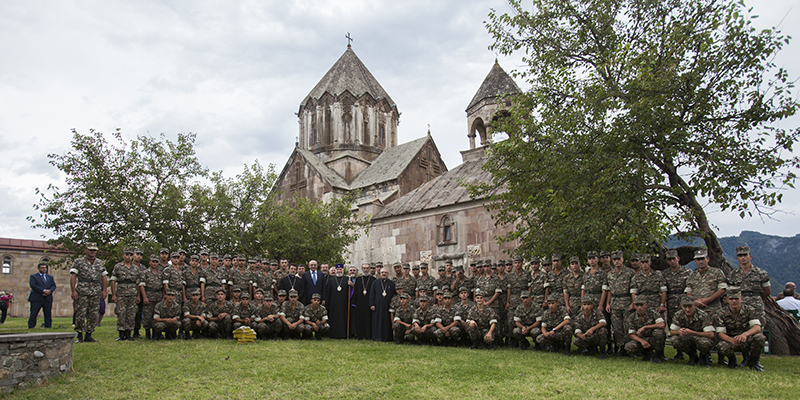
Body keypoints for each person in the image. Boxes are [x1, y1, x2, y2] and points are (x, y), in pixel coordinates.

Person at [714, 287, 766, 371]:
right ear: (727, 300)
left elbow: (757, 327)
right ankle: (732, 360)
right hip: (731, 340)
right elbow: (720, 333)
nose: (734, 301)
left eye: (736, 299)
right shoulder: (721, 313)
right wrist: (731, 340)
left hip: (746, 339)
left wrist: (745, 334)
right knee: (722, 346)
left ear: (741, 299)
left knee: (759, 338)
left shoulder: (750, 310)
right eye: (731, 299)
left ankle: (754, 362)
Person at [70, 242, 107, 343]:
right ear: (85, 250)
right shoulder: (78, 261)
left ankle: (89, 334)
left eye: (94, 250)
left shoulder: (99, 263)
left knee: (93, 313)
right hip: (82, 290)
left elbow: (104, 276)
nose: (93, 252)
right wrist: (73, 291)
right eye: (90, 250)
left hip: (95, 291)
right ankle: (79, 335)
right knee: (80, 313)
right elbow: (73, 276)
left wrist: (104, 290)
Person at [662, 248, 691, 360]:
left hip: (684, 303)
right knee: (673, 326)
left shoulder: (687, 272)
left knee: (687, 326)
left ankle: (692, 353)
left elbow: (690, 288)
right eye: (669, 259)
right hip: (671, 303)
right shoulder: (665, 273)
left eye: (673, 258)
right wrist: (663, 303)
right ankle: (679, 352)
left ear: (678, 258)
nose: (672, 261)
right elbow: (664, 290)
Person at [604, 250, 635, 356]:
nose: (617, 261)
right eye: (614, 259)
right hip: (614, 302)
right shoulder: (610, 274)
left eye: (618, 259)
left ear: (623, 259)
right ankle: (620, 348)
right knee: (617, 328)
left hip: (626, 302)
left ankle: (628, 348)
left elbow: (633, 289)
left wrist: (633, 303)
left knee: (627, 326)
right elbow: (609, 290)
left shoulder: (630, 272)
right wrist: (608, 304)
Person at [728, 246, 770, 323]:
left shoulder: (761, 273)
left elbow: (767, 291)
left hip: (756, 304)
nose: (743, 258)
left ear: (750, 256)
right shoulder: (733, 275)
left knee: (758, 325)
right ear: (737, 258)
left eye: (745, 255)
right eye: (740, 256)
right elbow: (731, 292)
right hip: (739, 304)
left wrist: (758, 299)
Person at [669, 296, 715, 366]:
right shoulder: (678, 314)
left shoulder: (703, 315)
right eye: (685, 306)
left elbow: (710, 334)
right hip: (687, 338)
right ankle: (692, 356)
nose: (687, 309)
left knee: (705, 343)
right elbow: (672, 332)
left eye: (690, 306)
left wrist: (692, 333)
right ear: (681, 306)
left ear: (695, 305)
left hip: (700, 337)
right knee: (675, 340)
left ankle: (703, 357)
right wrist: (679, 332)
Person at [684, 249, 727, 314]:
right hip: (697, 310)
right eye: (698, 259)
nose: (701, 261)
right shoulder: (692, 275)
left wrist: (709, 299)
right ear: (695, 261)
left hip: (714, 309)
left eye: (703, 259)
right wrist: (695, 301)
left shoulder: (717, 272)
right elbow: (688, 291)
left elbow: (723, 289)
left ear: (708, 259)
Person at [624, 298, 666, 363]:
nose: (639, 307)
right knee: (629, 346)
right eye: (637, 305)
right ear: (634, 306)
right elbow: (632, 334)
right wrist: (642, 341)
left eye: (641, 305)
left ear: (646, 305)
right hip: (642, 339)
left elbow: (662, 324)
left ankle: (657, 355)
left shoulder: (652, 313)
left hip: (653, 338)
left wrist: (645, 327)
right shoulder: (632, 317)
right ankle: (647, 354)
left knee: (659, 332)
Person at [110, 248, 140, 341]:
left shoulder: (136, 268)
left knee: (131, 314)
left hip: (132, 293)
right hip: (121, 294)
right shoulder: (118, 266)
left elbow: (138, 283)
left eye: (130, 255)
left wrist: (138, 295)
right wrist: (113, 294)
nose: (128, 257)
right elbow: (113, 280)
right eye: (127, 254)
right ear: (123, 255)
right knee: (121, 313)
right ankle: (121, 333)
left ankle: (128, 333)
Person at [139, 255, 164, 340]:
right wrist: (144, 297)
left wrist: (163, 296)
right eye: (153, 261)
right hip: (149, 296)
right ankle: (147, 334)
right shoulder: (145, 272)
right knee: (147, 315)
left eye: (156, 262)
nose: (154, 263)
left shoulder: (161, 273)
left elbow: (163, 286)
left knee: (157, 315)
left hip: (158, 296)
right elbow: (142, 285)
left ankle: (155, 333)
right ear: (149, 262)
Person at [324, 264, 351, 338]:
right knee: (334, 318)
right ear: (335, 270)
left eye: (340, 269)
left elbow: (351, 292)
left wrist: (351, 285)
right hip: (333, 304)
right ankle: (333, 334)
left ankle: (343, 334)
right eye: (337, 269)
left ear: (343, 270)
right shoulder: (331, 280)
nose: (339, 271)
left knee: (343, 318)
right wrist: (327, 304)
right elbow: (328, 293)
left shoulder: (347, 279)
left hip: (344, 303)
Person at [370, 267, 396, 341]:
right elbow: (372, 294)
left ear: (388, 274)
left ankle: (387, 337)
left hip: (388, 305)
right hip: (377, 305)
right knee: (377, 321)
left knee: (386, 321)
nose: (384, 274)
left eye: (385, 272)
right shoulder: (375, 283)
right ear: (380, 274)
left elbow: (394, 294)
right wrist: (372, 304)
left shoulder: (391, 283)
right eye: (382, 272)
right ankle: (377, 337)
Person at [28, 262, 56, 329]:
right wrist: (43, 291)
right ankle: (31, 325)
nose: (44, 269)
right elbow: (33, 285)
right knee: (34, 312)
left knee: (47, 312)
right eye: (42, 268)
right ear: (39, 268)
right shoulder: (34, 276)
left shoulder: (50, 277)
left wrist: (49, 291)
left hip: (47, 298)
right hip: (37, 297)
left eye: (45, 268)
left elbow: (53, 285)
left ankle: (48, 325)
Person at [352, 263, 375, 340]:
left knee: (369, 319)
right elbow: (355, 291)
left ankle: (368, 335)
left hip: (369, 302)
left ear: (369, 269)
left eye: (367, 268)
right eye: (364, 268)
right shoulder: (358, 279)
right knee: (360, 319)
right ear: (362, 269)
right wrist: (354, 303)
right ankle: (360, 335)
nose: (365, 270)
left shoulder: (373, 279)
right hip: (360, 303)